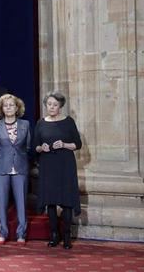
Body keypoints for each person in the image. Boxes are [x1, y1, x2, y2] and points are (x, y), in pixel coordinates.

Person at [34, 91, 82, 249]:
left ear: (60, 106)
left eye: (55, 105)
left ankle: (67, 236)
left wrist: (64, 145)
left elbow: (77, 144)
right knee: (51, 201)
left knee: (67, 201)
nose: (51, 107)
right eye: (49, 104)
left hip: (65, 165)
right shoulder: (41, 123)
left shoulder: (68, 122)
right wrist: (42, 147)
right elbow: (35, 146)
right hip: (48, 164)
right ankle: (54, 235)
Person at [0, 94, 31, 245]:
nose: (8, 108)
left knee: (21, 202)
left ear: (17, 107)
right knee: (1, 202)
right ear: (1, 108)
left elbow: (27, 146)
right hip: (0, 167)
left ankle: (21, 234)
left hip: (20, 166)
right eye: (5, 105)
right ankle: (3, 233)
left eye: (11, 105)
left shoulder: (25, 124)